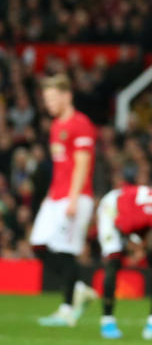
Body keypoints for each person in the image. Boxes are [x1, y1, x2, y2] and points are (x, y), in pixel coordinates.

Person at [35, 74, 99, 327]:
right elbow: (60, 166)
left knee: (65, 250)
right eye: (46, 98)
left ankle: (67, 309)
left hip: (75, 196)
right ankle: (80, 288)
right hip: (56, 197)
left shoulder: (80, 123)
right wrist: (50, 196)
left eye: (52, 98)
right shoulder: (55, 126)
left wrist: (73, 198)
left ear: (66, 96)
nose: (48, 103)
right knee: (38, 245)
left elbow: (82, 163)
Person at [96, 182, 152, 340]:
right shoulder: (130, 221)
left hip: (146, 209)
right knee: (114, 260)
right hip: (114, 206)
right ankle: (107, 320)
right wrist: (134, 245)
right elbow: (123, 229)